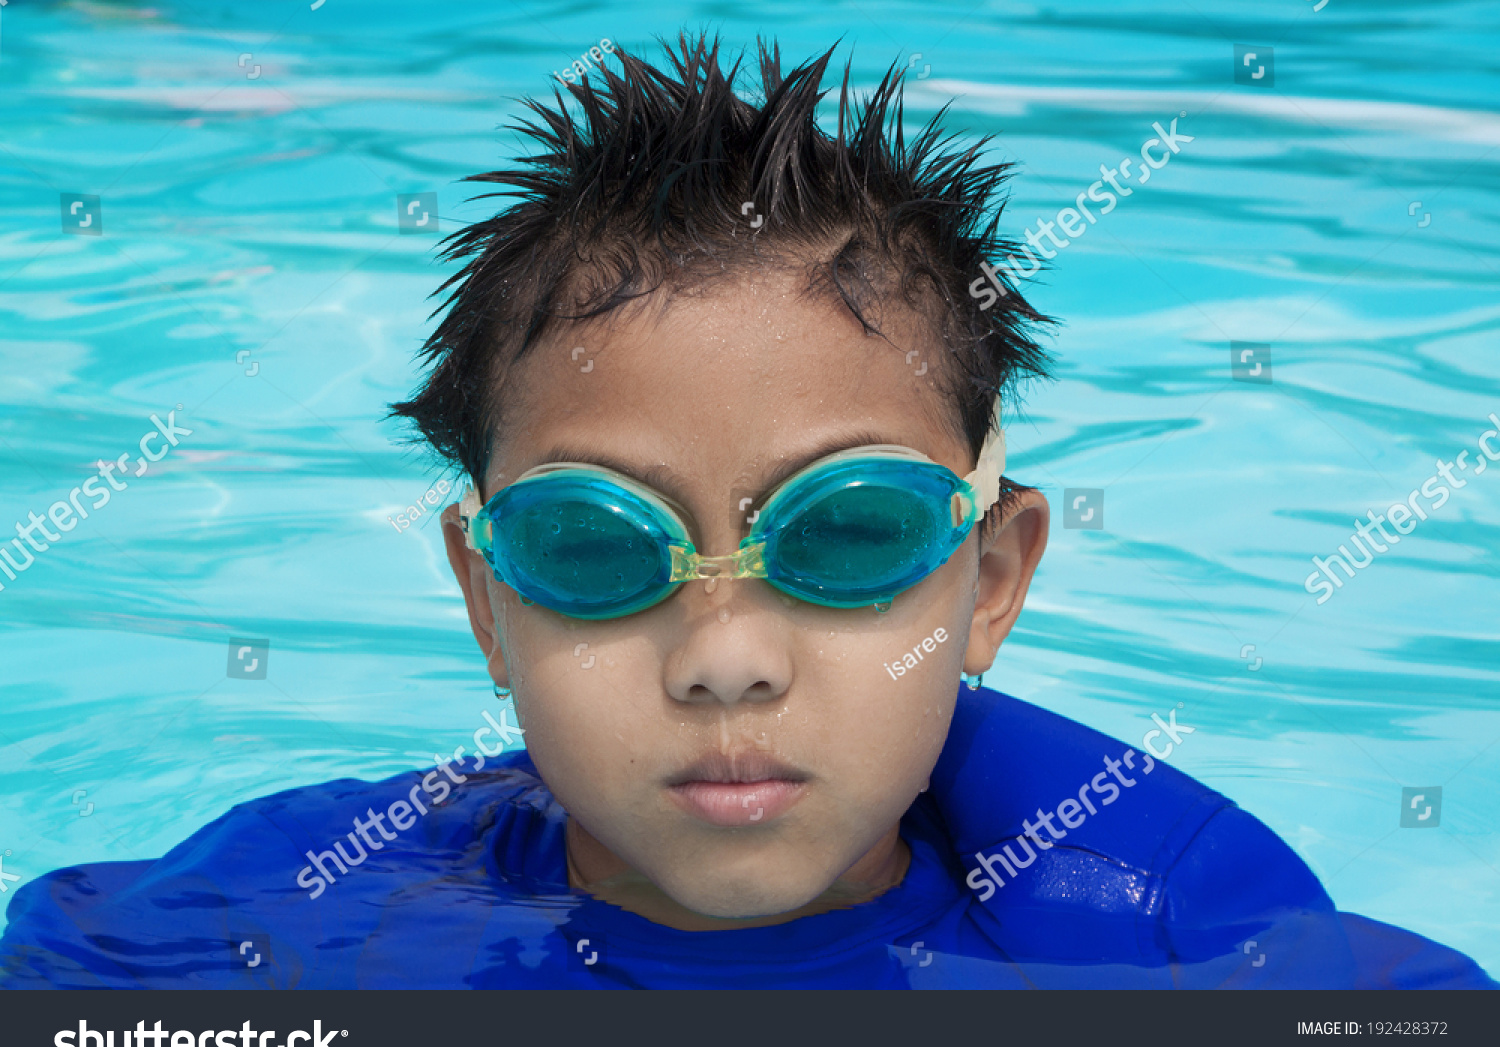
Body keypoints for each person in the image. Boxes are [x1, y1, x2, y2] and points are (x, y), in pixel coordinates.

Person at [2, 33, 1491, 989]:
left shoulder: (1165, 943)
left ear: (988, 581)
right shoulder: (288, 912)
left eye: (849, 534)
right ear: (485, 599)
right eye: (594, 545)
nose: (725, 657)